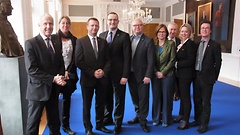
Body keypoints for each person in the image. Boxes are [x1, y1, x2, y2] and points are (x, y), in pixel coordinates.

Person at [24, 13, 66, 135]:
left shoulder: (56, 42)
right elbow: (31, 69)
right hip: (37, 91)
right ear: (39, 25)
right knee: (33, 124)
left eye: (51, 23)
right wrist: (53, 78)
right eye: (45, 24)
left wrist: (61, 76)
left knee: (54, 121)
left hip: (53, 90)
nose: (48, 26)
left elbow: (60, 63)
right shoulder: (31, 43)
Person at [75, 17, 111, 135]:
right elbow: (78, 61)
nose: (94, 28)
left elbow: (108, 60)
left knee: (100, 103)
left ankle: (100, 124)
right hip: (87, 79)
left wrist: (103, 72)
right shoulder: (81, 41)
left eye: (96, 25)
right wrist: (92, 72)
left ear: (99, 27)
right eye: (92, 25)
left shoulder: (103, 42)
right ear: (87, 26)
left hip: (102, 79)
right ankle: (88, 128)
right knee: (87, 105)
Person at [99, 12, 131, 134]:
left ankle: (118, 123)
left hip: (119, 75)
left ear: (118, 21)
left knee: (119, 99)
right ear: (107, 21)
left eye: (114, 20)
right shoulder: (102, 35)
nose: (112, 22)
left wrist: (125, 75)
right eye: (110, 20)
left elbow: (127, 58)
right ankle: (108, 118)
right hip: (105, 74)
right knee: (107, 98)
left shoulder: (124, 36)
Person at [189, 20, 222, 134]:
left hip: (208, 78)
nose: (204, 30)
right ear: (200, 30)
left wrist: (214, 77)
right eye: (202, 28)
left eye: (207, 28)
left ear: (210, 30)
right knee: (197, 100)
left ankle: (204, 124)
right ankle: (197, 120)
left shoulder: (215, 45)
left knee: (206, 102)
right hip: (196, 76)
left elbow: (218, 63)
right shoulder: (196, 44)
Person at [127, 18, 155, 133]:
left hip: (143, 76)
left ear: (142, 26)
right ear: (132, 27)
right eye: (135, 25)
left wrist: (148, 75)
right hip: (131, 74)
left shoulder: (148, 40)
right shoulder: (128, 39)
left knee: (143, 99)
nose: (137, 27)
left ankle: (143, 121)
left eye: (139, 25)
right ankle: (138, 115)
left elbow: (151, 60)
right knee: (134, 97)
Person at [53, 16, 78, 135]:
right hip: (56, 75)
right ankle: (54, 127)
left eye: (67, 23)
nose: (65, 25)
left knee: (66, 101)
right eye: (63, 23)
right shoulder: (53, 38)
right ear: (59, 24)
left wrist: (68, 71)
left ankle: (66, 126)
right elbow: (52, 58)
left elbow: (75, 58)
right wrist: (61, 72)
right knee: (53, 101)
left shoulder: (74, 39)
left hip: (69, 74)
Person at [151, 24, 176, 127]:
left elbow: (172, 60)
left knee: (167, 97)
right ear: (156, 34)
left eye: (163, 32)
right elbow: (150, 60)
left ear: (166, 33)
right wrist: (156, 72)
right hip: (155, 75)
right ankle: (156, 118)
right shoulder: (153, 44)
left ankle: (166, 119)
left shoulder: (170, 44)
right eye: (159, 32)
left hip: (168, 75)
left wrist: (163, 72)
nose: (161, 34)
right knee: (156, 97)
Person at [174, 23, 197, 130]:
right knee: (182, 96)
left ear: (189, 33)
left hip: (186, 75)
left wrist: (177, 64)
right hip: (179, 74)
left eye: (186, 31)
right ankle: (181, 114)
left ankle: (185, 120)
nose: (183, 33)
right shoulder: (181, 43)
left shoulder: (190, 44)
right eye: (182, 31)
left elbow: (191, 60)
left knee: (186, 97)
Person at [167, 22, 181, 101]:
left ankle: (176, 93)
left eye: (175, 30)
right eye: (171, 29)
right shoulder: (163, 40)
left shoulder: (180, 41)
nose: (173, 31)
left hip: (177, 67)